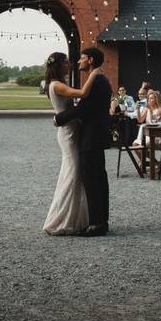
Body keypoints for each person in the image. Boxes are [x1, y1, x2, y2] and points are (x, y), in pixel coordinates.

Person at [42, 51, 103, 236]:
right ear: (59, 65)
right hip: (68, 133)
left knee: (74, 173)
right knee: (72, 172)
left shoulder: (57, 84)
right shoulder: (57, 85)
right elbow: (83, 93)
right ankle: (59, 220)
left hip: (70, 129)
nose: (70, 64)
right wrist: (94, 73)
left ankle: (76, 217)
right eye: (67, 62)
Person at [54, 47, 112, 237]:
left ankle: (97, 223)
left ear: (91, 60)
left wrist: (59, 118)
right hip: (92, 136)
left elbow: (85, 108)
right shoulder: (98, 79)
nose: (79, 61)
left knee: (93, 179)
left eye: (82, 58)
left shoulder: (97, 81)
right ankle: (100, 220)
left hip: (91, 138)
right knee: (98, 178)